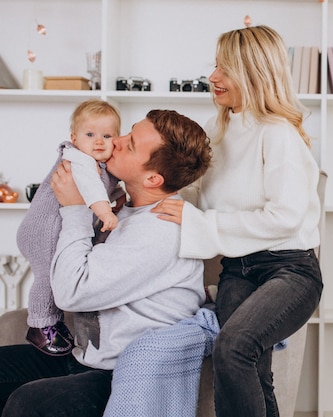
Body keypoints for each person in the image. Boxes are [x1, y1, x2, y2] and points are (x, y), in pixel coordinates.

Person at [152, 25, 324, 417]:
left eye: (225, 68)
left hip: (290, 270)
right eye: (215, 66)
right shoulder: (219, 129)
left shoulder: (278, 135)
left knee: (233, 347)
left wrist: (201, 224)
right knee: (252, 369)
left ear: (255, 73)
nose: (213, 77)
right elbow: (196, 193)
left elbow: (285, 217)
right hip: (238, 269)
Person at [0, 109, 212, 417]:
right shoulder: (125, 209)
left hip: (121, 373)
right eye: (127, 132)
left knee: (28, 403)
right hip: (85, 356)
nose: (115, 140)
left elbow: (72, 292)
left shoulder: (161, 229)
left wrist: (74, 209)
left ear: (153, 178)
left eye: (130, 143)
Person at [16, 99, 126, 356]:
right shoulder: (78, 159)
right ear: (74, 138)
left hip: (55, 227)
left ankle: (52, 322)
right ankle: (40, 326)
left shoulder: (98, 163)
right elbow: (90, 187)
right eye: (90, 135)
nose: (98, 142)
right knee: (47, 276)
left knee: (52, 275)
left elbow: (103, 186)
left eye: (107, 135)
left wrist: (118, 194)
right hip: (43, 230)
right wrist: (104, 211)